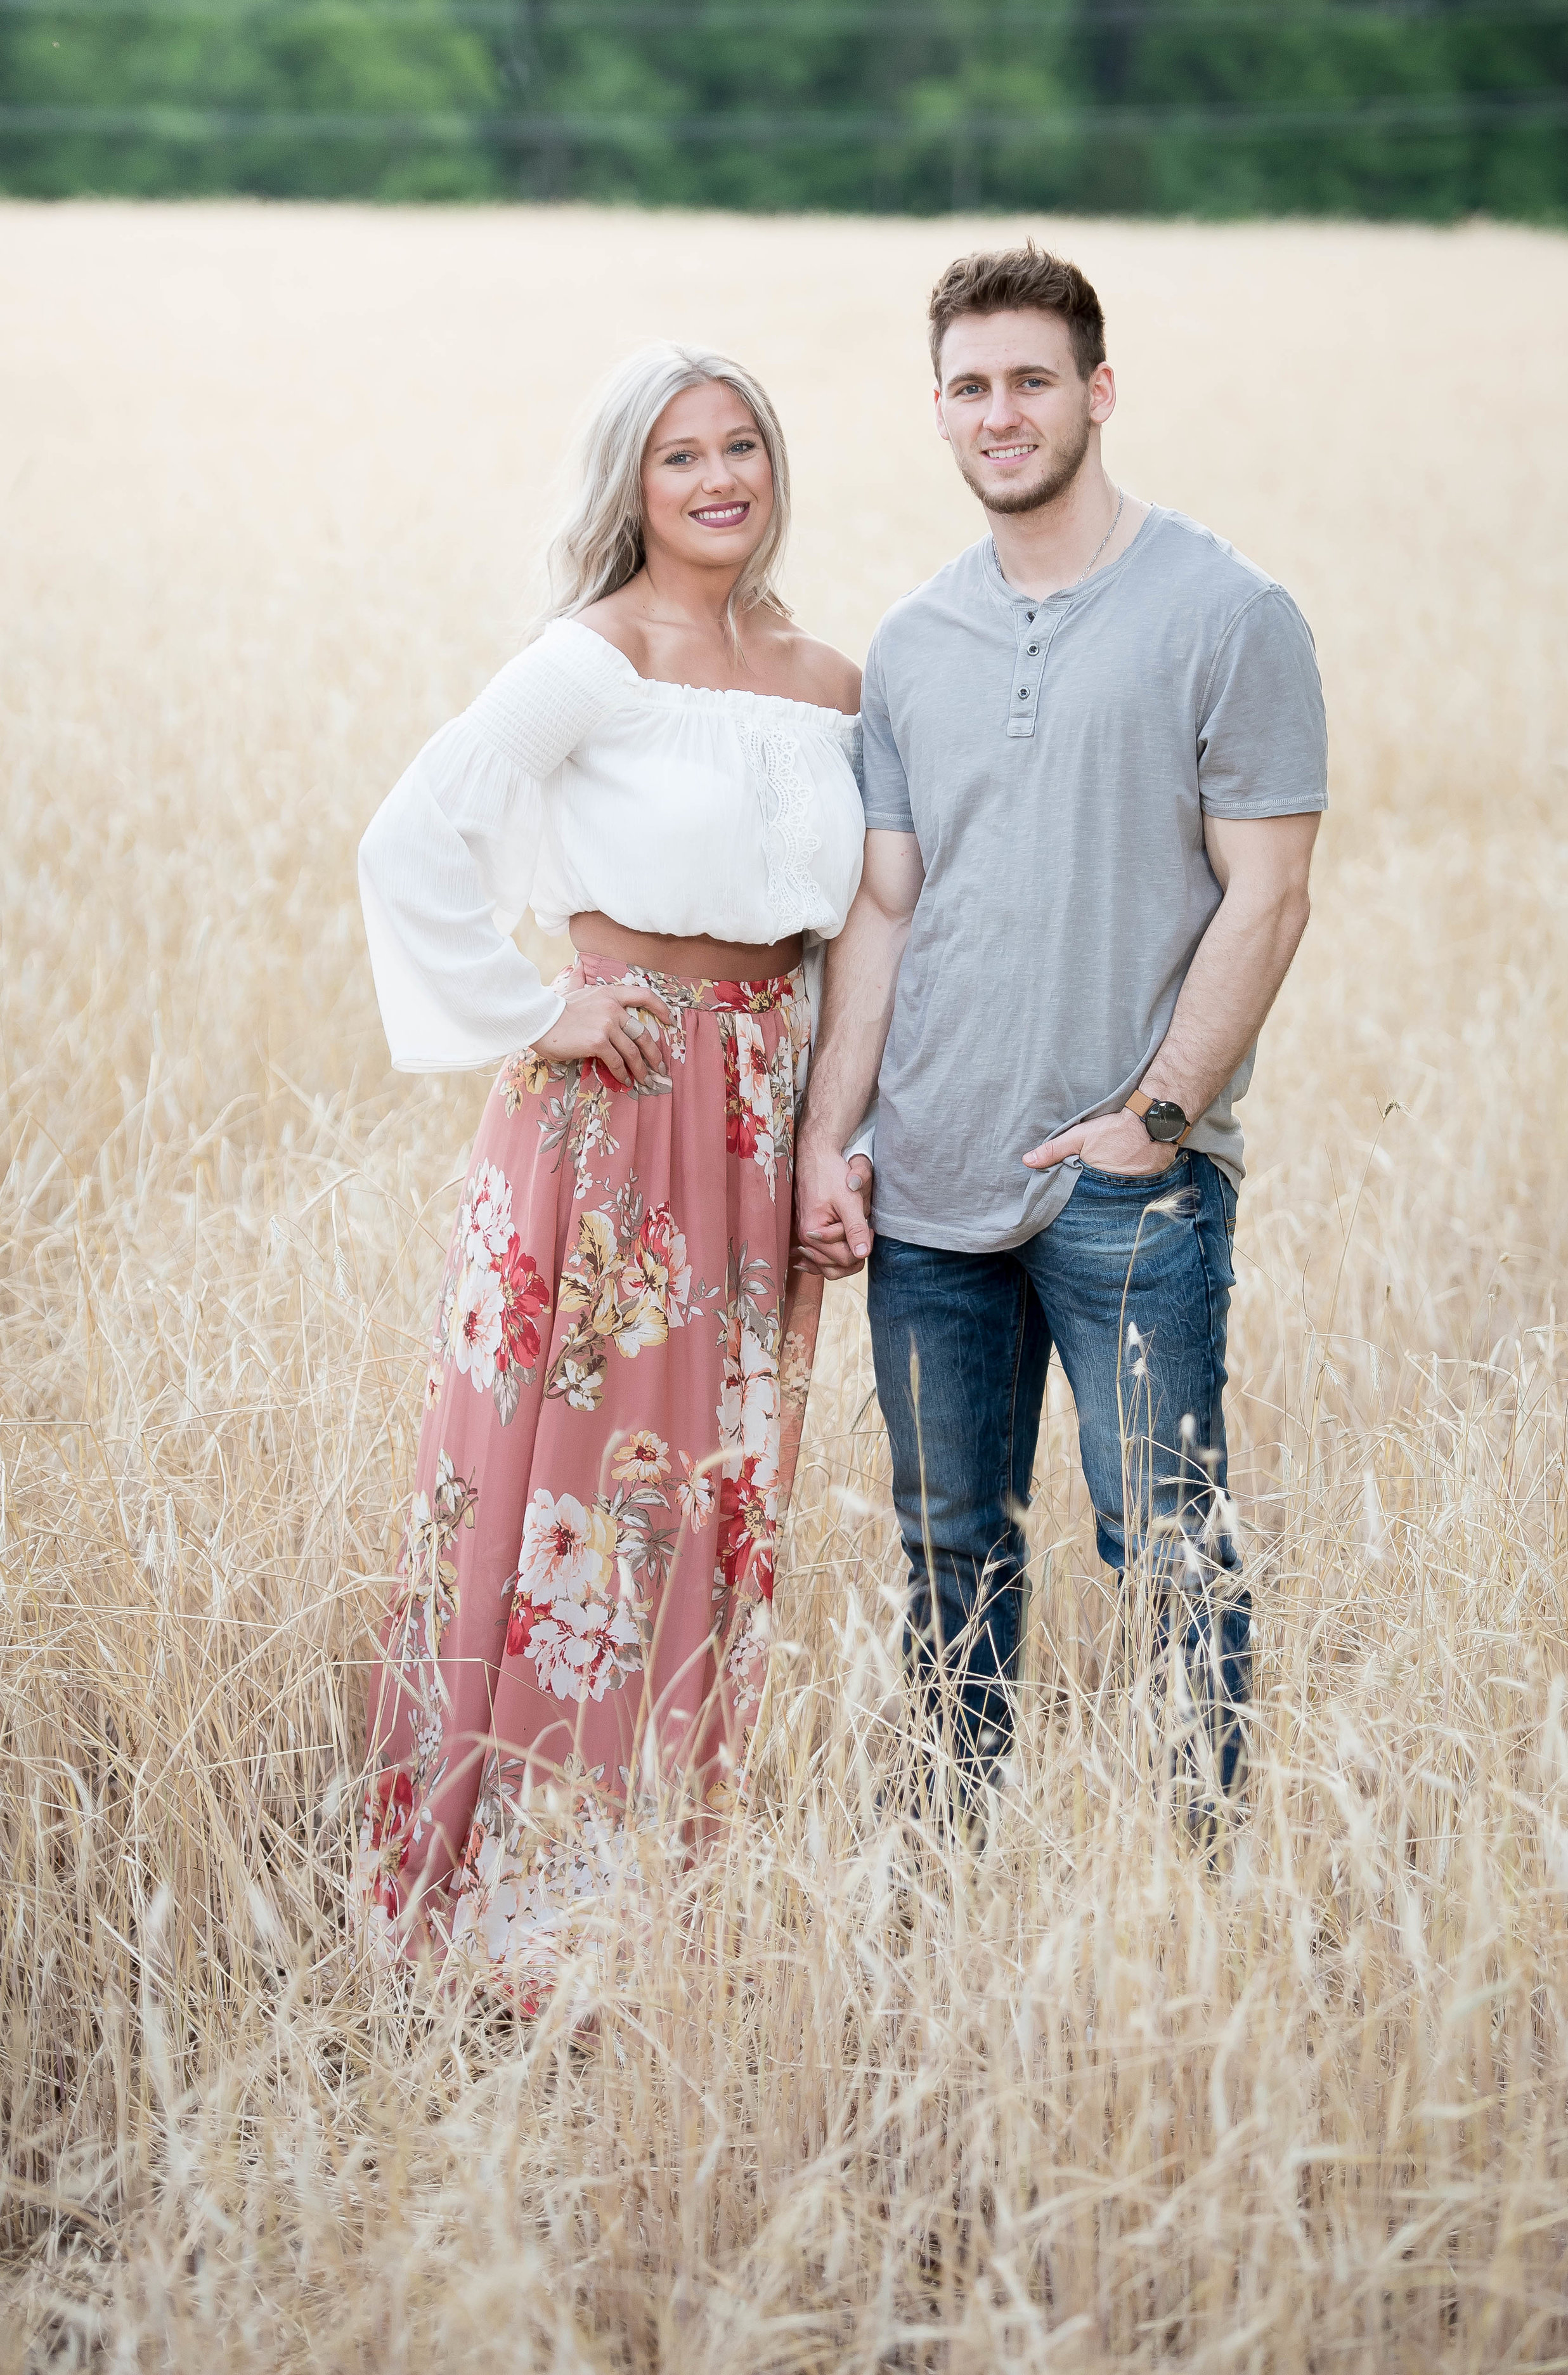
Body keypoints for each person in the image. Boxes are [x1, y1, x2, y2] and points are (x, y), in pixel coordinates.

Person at [356, 344, 864, 2009]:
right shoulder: (593, 656)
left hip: (760, 1110)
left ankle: (654, 1901)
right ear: (629, 491)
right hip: (618, 1108)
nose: (720, 477)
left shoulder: (826, 679)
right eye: (679, 457)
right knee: (571, 1487)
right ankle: (503, 1920)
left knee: (712, 1495)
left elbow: (867, 925)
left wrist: (830, 1127)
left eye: (741, 446)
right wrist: (542, 1006)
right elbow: (411, 837)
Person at [795, 244, 1326, 1799]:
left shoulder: (1228, 613)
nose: (999, 412)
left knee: (1165, 1537)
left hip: (1129, 1191)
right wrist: (834, 1137)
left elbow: (1268, 897)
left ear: (1097, 392)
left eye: (1031, 380)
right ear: (938, 412)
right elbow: (882, 909)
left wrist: (1150, 1123)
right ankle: (958, 1870)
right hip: (929, 1192)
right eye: (968, 387)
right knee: (947, 1553)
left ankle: (1201, 1873)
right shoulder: (909, 643)